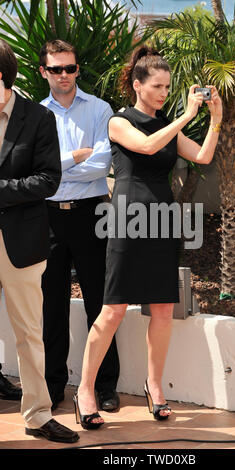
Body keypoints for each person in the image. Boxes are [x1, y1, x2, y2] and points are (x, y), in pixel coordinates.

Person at [74, 45, 223, 428]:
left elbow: (203, 156)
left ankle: (154, 387)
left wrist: (215, 119)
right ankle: (85, 390)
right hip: (126, 218)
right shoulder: (118, 121)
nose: (163, 93)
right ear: (137, 85)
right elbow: (145, 146)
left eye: (168, 86)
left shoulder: (168, 126)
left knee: (161, 311)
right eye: (157, 85)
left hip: (161, 220)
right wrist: (185, 117)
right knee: (113, 310)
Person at [0, 39, 79, 443]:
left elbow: (48, 180)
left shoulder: (37, 119)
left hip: (21, 241)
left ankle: (37, 414)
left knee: (30, 331)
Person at [39, 39, 120, 412]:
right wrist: (74, 158)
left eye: (70, 68)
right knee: (51, 305)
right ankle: (54, 386)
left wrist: (59, 168)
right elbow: (37, 173)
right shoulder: (35, 115)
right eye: (56, 69)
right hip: (48, 218)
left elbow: (102, 166)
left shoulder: (100, 110)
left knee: (100, 302)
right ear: (44, 72)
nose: (65, 75)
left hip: (92, 213)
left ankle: (104, 387)